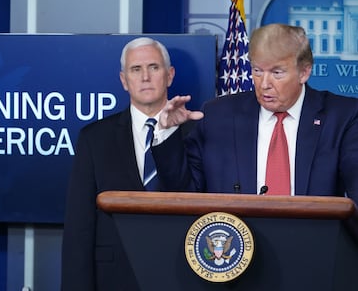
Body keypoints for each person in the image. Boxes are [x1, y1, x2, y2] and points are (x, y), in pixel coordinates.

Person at [153, 23, 358, 205]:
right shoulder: (218, 116)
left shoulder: (341, 117)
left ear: (304, 72)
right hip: (234, 244)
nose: (264, 84)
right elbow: (184, 195)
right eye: (257, 71)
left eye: (277, 73)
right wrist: (168, 133)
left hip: (314, 242)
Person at [61, 37, 195, 291]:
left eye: (154, 67)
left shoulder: (197, 133)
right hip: (115, 278)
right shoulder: (95, 138)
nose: (145, 77)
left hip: (182, 275)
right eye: (136, 69)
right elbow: (79, 228)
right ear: (124, 80)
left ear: (170, 75)